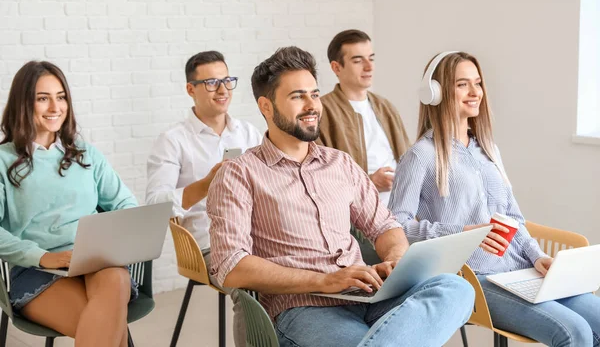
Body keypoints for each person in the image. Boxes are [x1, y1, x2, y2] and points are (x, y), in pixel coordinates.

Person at [207, 46, 474, 347]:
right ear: (266, 107)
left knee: (456, 289)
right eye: (297, 96)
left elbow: (384, 226)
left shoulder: (340, 163)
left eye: (314, 94)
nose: (312, 105)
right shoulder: (239, 174)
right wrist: (325, 280)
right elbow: (230, 266)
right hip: (303, 309)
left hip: (369, 295)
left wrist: (397, 260)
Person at [389, 51, 600, 347]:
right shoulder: (420, 156)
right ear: (435, 93)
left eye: (478, 83)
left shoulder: (488, 149)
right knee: (574, 332)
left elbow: (513, 216)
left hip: (521, 270)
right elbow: (396, 227)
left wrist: (537, 256)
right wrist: (461, 234)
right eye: (463, 84)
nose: (475, 92)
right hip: (475, 278)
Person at [0, 61, 138, 346]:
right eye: (43, 98)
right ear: (22, 103)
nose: (55, 107)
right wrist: (43, 257)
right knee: (110, 333)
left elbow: (124, 203)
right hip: (37, 270)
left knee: (114, 282)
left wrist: (111, 240)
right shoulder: (3, 160)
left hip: (96, 261)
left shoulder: (86, 154)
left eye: (61, 97)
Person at [146, 50, 261, 346]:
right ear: (190, 89)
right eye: (211, 82)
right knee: (250, 285)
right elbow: (155, 205)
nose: (222, 90)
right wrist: (207, 184)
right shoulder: (173, 141)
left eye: (227, 80)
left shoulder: (249, 133)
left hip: (258, 234)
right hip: (208, 245)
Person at [318, 29, 410, 206]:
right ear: (336, 67)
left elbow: (408, 158)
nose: (369, 67)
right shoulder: (322, 112)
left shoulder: (385, 107)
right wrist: (370, 182)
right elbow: (318, 177)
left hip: (403, 210)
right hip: (359, 215)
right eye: (358, 60)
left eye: (371, 58)